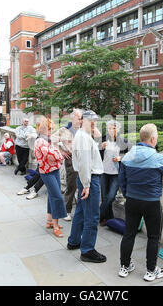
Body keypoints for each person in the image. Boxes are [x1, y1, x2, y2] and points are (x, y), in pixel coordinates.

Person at [118, 123, 163, 282]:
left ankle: (124, 266)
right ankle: (151, 271)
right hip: (151, 202)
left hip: (132, 201)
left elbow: (121, 180)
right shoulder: (158, 158)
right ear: (152, 139)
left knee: (128, 234)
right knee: (153, 237)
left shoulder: (128, 156)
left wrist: (128, 194)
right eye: (155, 138)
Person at [67, 110, 106, 263]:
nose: (94, 123)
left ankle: (74, 241)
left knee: (82, 212)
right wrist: (87, 185)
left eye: (95, 121)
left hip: (85, 178)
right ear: (84, 121)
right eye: (92, 121)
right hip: (90, 179)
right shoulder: (83, 137)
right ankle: (88, 250)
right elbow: (84, 164)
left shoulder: (82, 136)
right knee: (92, 216)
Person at [34, 117, 67, 238]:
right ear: (42, 128)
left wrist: (58, 153)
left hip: (54, 170)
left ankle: (49, 221)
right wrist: (58, 154)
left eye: (52, 128)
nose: (51, 130)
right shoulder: (40, 141)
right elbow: (55, 155)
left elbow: (56, 153)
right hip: (47, 172)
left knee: (52, 196)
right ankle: (56, 225)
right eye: (49, 128)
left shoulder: (47, 140)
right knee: (57, 197)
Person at [51, 109, 83, 222]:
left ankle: (81, 211)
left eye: (81, 118)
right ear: (72, 118)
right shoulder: (64, 130)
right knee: (71, 185)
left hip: (83, 159)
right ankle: (67, 211)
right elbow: (52, 140)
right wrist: (61, 151)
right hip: (71, 159)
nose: (80, 120)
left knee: (83, 186)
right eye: (79, 118)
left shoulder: (84, 130)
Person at [99, 120, 131, 226]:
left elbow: (131, 154)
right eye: (109, 128)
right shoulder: (103, 140)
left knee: (111, 196)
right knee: (104, 197)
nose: (111, 130)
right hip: (103, 171)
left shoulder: (123, 142)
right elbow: (95, 155)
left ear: (118, 129)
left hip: (116, 173)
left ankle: (96, 215)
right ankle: (108, 219)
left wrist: (120, 158)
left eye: (114, 128)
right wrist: (100, 148)